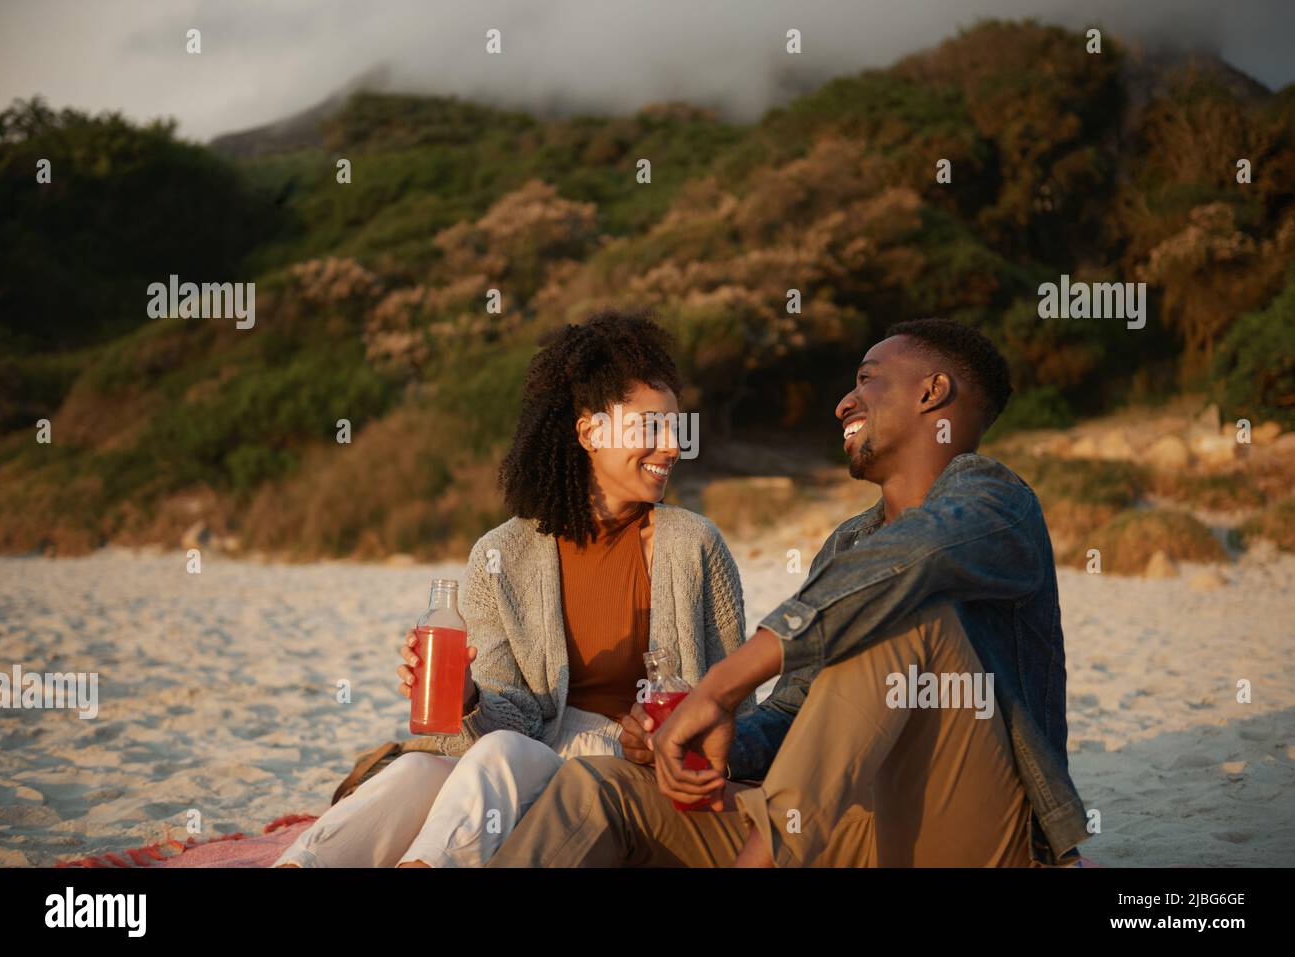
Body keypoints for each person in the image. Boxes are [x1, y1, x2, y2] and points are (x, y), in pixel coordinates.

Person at [488, 318, 1091, 868]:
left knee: (900, 613)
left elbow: (914, 559)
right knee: (598, 787)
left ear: (931, 394)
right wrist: (712, 738)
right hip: (840, 835)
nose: (843, 402)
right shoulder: (849, 541)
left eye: (867, 380)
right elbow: (793, 713)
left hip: (965, 834)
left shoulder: (998, 502)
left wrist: (722, 686)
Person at [274, 309, 750, 868]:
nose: (671, 447)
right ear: (590, 432)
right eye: (651, 427)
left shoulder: (695, 546)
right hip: (522, 755)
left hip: (621, 776)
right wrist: (468, 698)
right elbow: (512, 724)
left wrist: (675, 740)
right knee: (415, 770)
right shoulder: (501, 557)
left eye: (675, 428)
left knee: (500, 755)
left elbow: (738, 705)